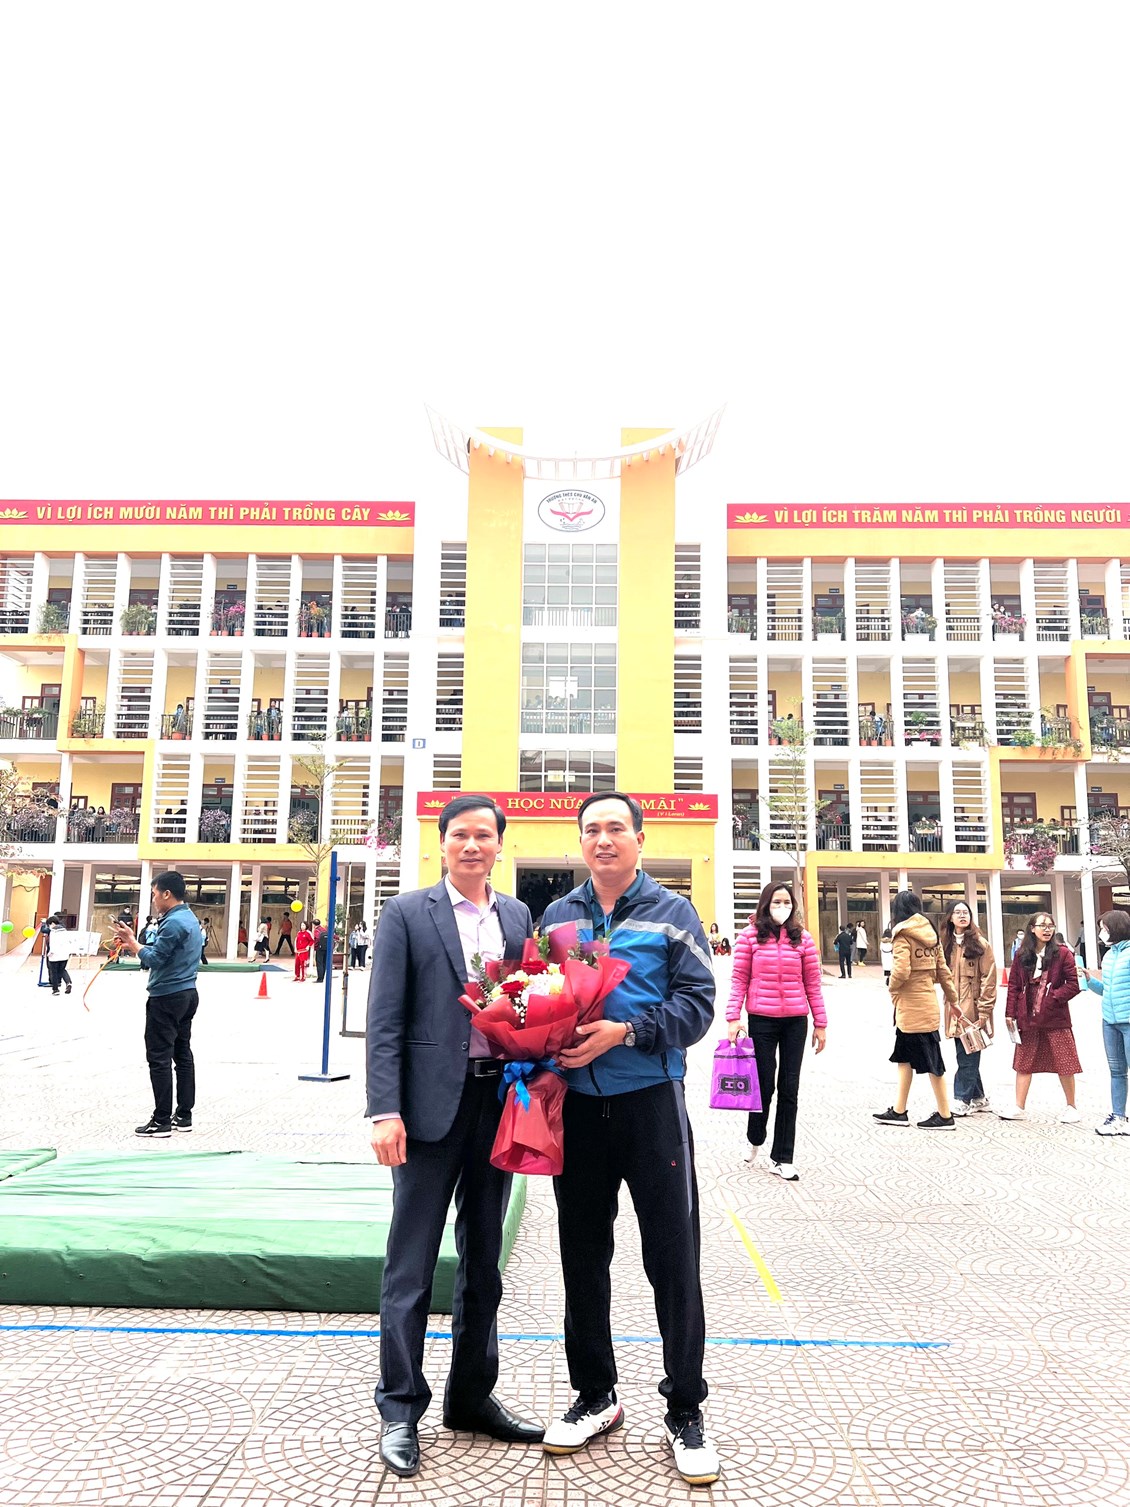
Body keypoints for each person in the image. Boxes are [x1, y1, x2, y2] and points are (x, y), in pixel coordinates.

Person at [540, 793, 718, 1486]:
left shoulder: (674, 913)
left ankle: (685, 1408)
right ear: (580, 842)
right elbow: (534, 994)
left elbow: (698, 1005)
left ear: (640, 838)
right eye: (592, 829)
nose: (604, 839)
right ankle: (595, 1394)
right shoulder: (558, 916)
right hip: (579, 1111)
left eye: (616, 827)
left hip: (651, 1105)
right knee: (582, 1254)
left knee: (672, 1256)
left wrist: (627, 1032)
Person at [366, 795, 542, 1478]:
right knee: (410, 1262)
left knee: (484, 1258)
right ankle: (400, 1406)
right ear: (441, 843)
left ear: (500, 844)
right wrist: (385, 1109)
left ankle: (471, 1396)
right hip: (425, 1111)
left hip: (496, 1103)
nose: (472, 845)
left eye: (484, 835)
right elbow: (385, 1020)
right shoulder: (408, 913)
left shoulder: (517, 916)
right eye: (460, 834)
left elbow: (530, 1002)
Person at [725, 882, 827, 1180]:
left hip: (795, 1021)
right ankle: (755, 1137)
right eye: (776, 902)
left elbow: (813, 984)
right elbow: (739, 979)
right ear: (765, 904)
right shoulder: (749, 937)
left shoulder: (803, 939)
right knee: (763, 1084)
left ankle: (782, 1157)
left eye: (787, 902)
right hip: (762, 1020)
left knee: (789, 1088)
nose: (782, 907)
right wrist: (733, 1018)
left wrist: (820, 1023)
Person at [110, 871, 201, 1137]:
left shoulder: (173, 923)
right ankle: (183, 1115)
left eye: (154, 894)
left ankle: (161, 1120)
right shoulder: (188, 917)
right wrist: (135, 943)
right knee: (182, 1055)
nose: (153, 899)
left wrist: (133, 944)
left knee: (159, 1058)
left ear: (166, 894)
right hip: (187, 993)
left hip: (167, 996)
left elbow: (155, 960)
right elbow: (163, 953)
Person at [873, 891, 958, 1130]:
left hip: (911, 1008)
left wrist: (892, 988)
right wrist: (953, 1000)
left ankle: (945, 1115)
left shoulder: (902, 935)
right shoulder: (931, 935)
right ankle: (899, 1110)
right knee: (904, 1058)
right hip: (927, 1004)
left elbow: (901, 971)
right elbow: (943, 971)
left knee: (933, 1063)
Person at [999, 912, 1081, 1122]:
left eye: (1050, 926)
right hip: (1027, 1014)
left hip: (1055, 1016)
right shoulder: (1021, 954)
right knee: (1023, 1061)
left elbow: (1074, 984)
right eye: (1042, 925)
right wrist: (1010, 1013)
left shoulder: (1063, 953)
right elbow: (1014, 986)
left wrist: (1052, 998)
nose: (1047, 929)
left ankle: (1071, 1106)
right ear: (1032, 929)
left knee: (1065, 1061)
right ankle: (1018, 1107)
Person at [940, 901, 998, 1116]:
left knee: (967, 1056)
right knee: (966, 1052)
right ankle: (979, 1098)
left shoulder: (980, 944)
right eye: (958, 912)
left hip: (973, 1009)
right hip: (954, 1008)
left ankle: (961, 1098)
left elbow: (989, 979)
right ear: (950, 917)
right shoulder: (946, 944)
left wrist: (984, 1011)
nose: (962, 916)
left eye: (966, 912)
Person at [1082, 910, 1130, 1134]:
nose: (1102, 933)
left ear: (1117, 928)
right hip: (1110, 1021)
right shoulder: (1110, 956)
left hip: (1128, 1021)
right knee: (1117, 1071)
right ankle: (1118, 1117)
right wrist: (1090, 980)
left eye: (1104, 928)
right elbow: (1107, 990)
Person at [46, 915, 74, 995]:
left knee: (54, 972)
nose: (49, 926)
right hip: (64, 955)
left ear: (52, 923)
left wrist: (50, 952)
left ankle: (55, 990)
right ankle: (68, 982)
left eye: (49, 925)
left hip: (55, 955)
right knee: (62, 970)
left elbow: (53, 943)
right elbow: (69, 942)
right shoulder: (65, 931)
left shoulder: (53, 932)